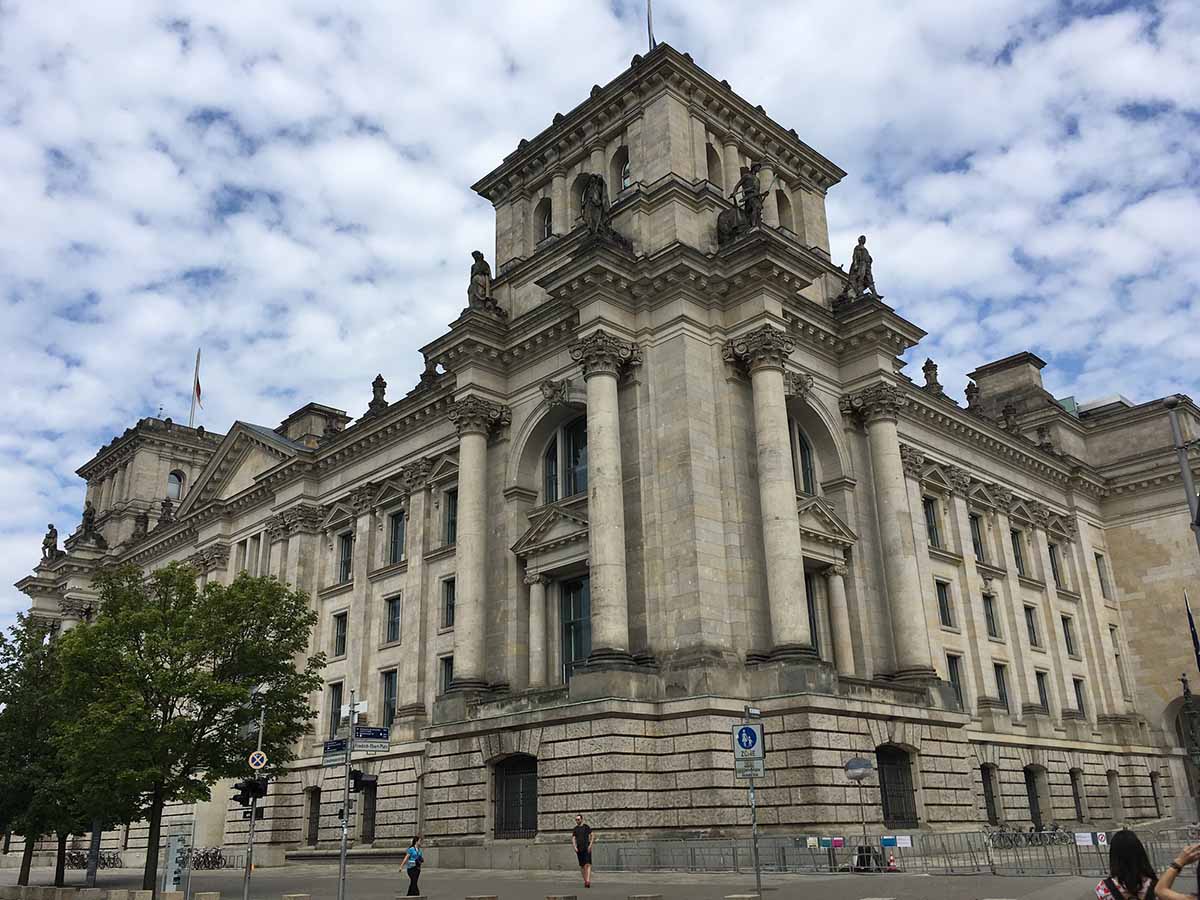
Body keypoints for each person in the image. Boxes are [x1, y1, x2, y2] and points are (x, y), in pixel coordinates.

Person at [572, 813, 594, 889]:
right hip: (579, 848)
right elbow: (573, 838)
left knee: (588, 864)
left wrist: (590, 845)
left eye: (578, 819)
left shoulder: (586, 827)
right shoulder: (575, 829)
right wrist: (574, 847)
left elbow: (592, 835)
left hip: (586, 848)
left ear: (581, 819)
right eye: (576, 820)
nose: (577, 821)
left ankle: (588, 881)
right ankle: (585, 880)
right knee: (582, 865)